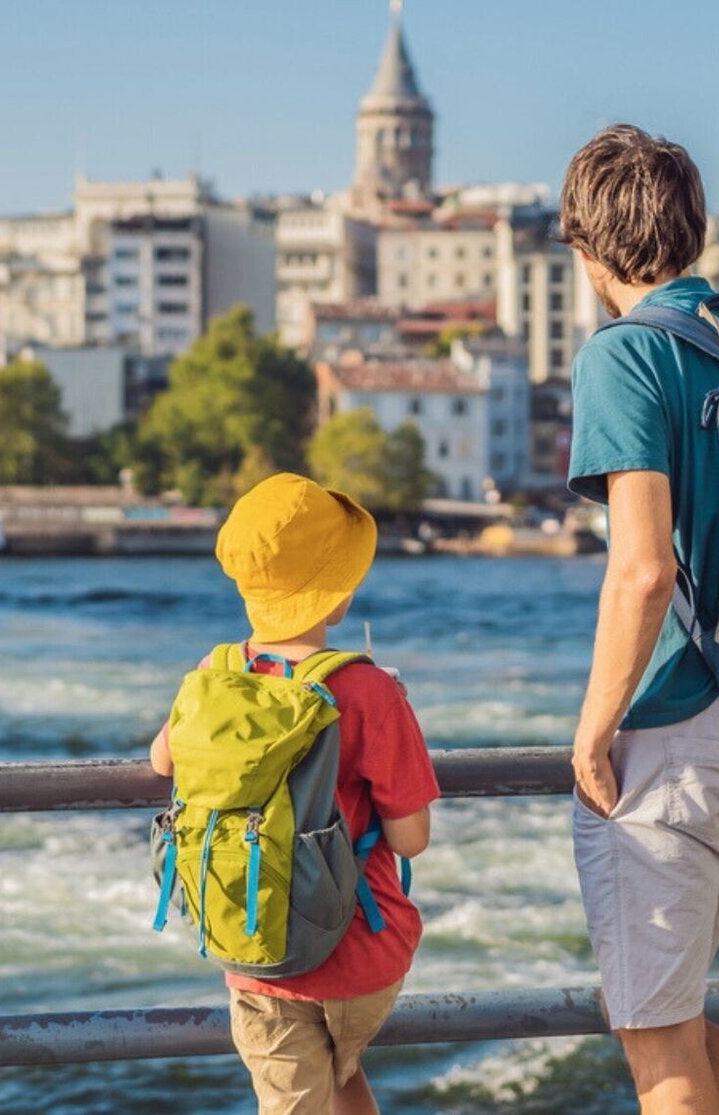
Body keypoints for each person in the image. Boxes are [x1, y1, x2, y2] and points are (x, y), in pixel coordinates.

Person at [559, 124, 719, 1115]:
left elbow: (641, 568)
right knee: (675, 1020)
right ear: (692, 229)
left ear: (582, 249)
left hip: (674, 732)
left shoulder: (626, 355)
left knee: (660, 1049)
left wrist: (591, 727)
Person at [150, 472, 439, 1115]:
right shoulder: (369, 693)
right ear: (337, 599)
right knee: (341, 1074)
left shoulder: (212, 675)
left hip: (252, 941)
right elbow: (411, 837)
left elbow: (159, 759)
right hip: (363, 951)